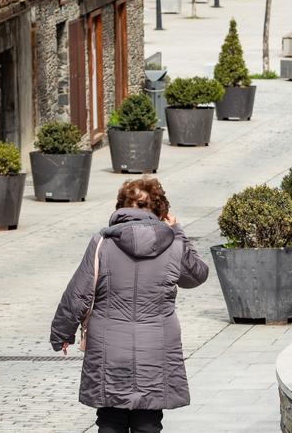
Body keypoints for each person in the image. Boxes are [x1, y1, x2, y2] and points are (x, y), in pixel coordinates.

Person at [50, 178, 208, 433]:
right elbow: (197, 275)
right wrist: (178, 231)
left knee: (110, 418)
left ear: (122, 207)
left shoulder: (102, 243)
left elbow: (78, 293)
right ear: (160, 209)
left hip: (109, 347)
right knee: (148, 420)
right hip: (155, 347)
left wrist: (61, 333)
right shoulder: (173, 244)